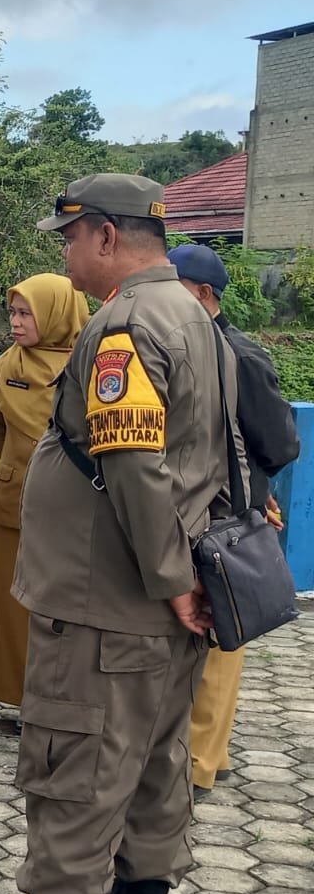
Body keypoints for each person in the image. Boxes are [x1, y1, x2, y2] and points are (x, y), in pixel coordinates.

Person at [0, 174, 240, 894]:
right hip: (169, 591)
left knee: (77, 753)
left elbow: (135, 463)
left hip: (111, 590)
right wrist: (188, 576)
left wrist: (168, 576)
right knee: (155, 755)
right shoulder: (194, 313)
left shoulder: (126, 325)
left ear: (107, 236)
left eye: (70, 237)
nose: (66, 253)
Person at [168, 243, 299, 794]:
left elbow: (280, 442)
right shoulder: (176, 348)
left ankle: (200, 761)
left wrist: (253, 492)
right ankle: (194, 753)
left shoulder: (239, 356)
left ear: (203, 295)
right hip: (185, 512)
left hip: (228, 520)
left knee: (222, 637)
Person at [0, 274, 90, 724]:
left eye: (26, 312)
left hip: (75, 506)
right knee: (12, 604)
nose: (16, 322)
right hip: (15, 500)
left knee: (71, 604)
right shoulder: (3, 368)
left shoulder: (95, 364)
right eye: (13, 312)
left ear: (56, 313)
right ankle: (19, 697)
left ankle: (67, 696)